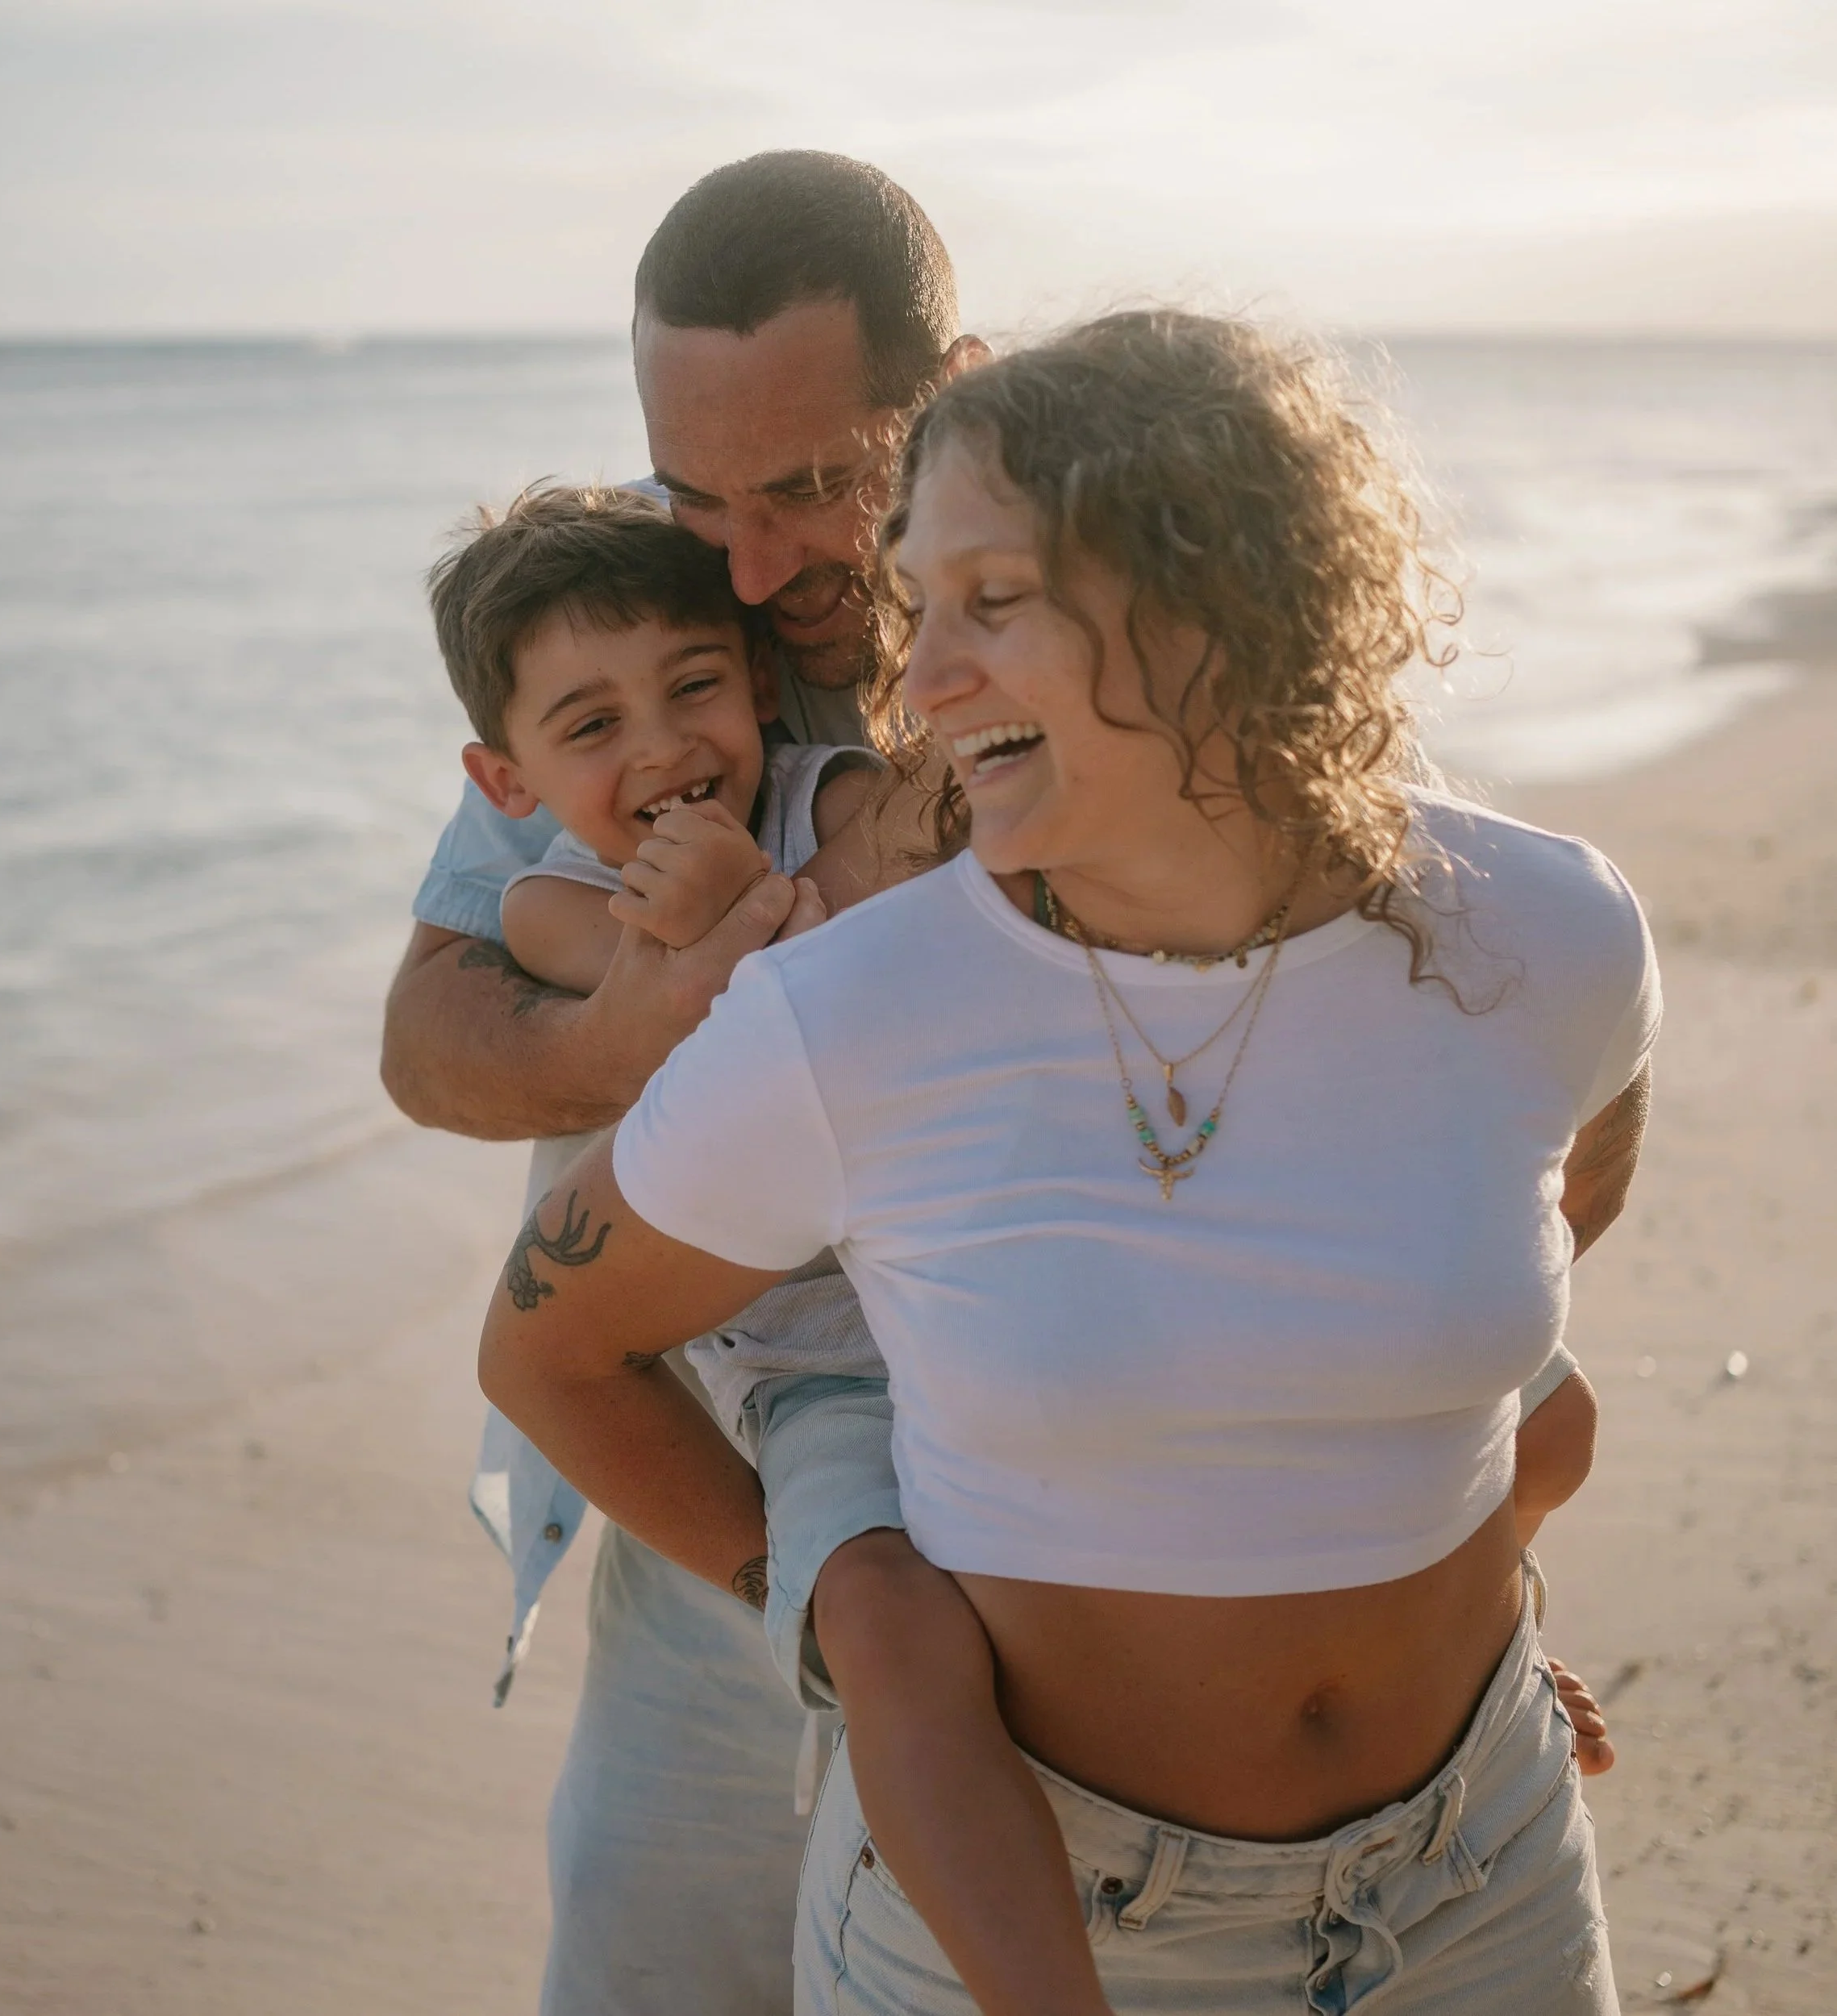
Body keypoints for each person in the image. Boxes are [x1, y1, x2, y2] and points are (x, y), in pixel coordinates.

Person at [478, 307, 1657, 2013]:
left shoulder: (1545, 931)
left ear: (1215, 591)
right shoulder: (843, 1014)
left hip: (1484, 1872)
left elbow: (1560, 1206)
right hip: (1028, 1936)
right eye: (918, 606)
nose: (920, 680)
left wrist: (1464, 1508)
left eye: (994, 604)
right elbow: (546, 1347)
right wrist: (808, 1606)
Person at [383, 152, 989, 2016]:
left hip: (1034, 1508)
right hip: (701, 1474)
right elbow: (428, 1030)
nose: (740, 566)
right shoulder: (645, 648)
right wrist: (630, 1031)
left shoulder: (1067, 616)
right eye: (690, 491)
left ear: (947, 389)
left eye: (807, 489)